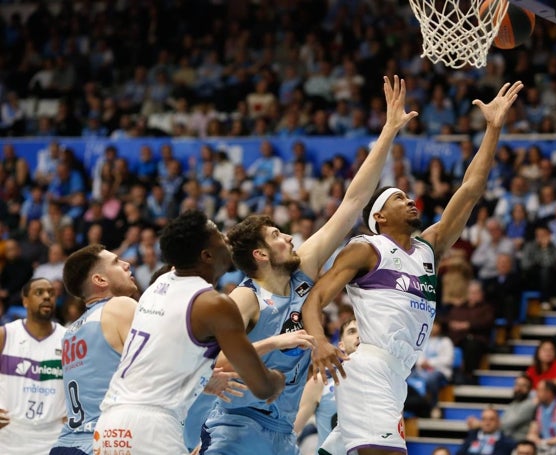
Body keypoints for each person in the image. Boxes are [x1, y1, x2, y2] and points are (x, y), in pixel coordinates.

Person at [199, 76, 420, 455]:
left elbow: (352, 202)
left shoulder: (303, 270)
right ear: (260, 255)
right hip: (238, 427)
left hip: (283, 432)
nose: (288, 238)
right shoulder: (245, 300)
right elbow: (209, 361)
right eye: (276, 236)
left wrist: (388, 132)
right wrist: (277, 341)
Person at [302, 81, 524, 455]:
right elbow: (315, 297)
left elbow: (470, 189)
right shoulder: (366, 249)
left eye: (408, 196)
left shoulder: (428, 248)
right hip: (370, 366)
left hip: (398, 374)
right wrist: (319, 341)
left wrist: (493, 128)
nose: (411, 201)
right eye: (399, 198)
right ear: (380, 217)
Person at [93, 210, 286, 454]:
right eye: (218, 234)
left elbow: (167, 356)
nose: (225, 238)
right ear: (206, 255)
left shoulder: (156, 287)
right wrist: (277, 380)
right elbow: (261, 387)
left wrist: (202, 380)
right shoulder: (214, 304)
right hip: (152, 427)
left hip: (109, 425)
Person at [49, 244, 140, 454]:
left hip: (65, 444)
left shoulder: (70, 333)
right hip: (106, 442)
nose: (127, 264)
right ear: (100, 280)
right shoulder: (120, 306)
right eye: (117, 262)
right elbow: (162, 364)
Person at [0, 278, 67, 454]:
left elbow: (85, 383)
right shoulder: (5, 335)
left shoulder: (69, 339)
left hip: (53, 436)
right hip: (10, 435)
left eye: (51, 293)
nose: (47, 297)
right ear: (25, 301)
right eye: (39, 292)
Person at [294, 318, 360, 453]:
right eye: (352, 332)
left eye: (364, 331)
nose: (359, 335)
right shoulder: (320, 382)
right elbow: (292, 430)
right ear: (341, 345)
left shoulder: (383, 382)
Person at [467, 374, 536, 441]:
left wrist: (480, 424)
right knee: (474, 435)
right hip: (505, 439)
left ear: (529, 389)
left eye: (523, 386)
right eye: (517, 385)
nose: (519, 388)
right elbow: (501, 421)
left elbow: (506, 425)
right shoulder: (513, 404)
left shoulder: (530, 405)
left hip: (517, 442)